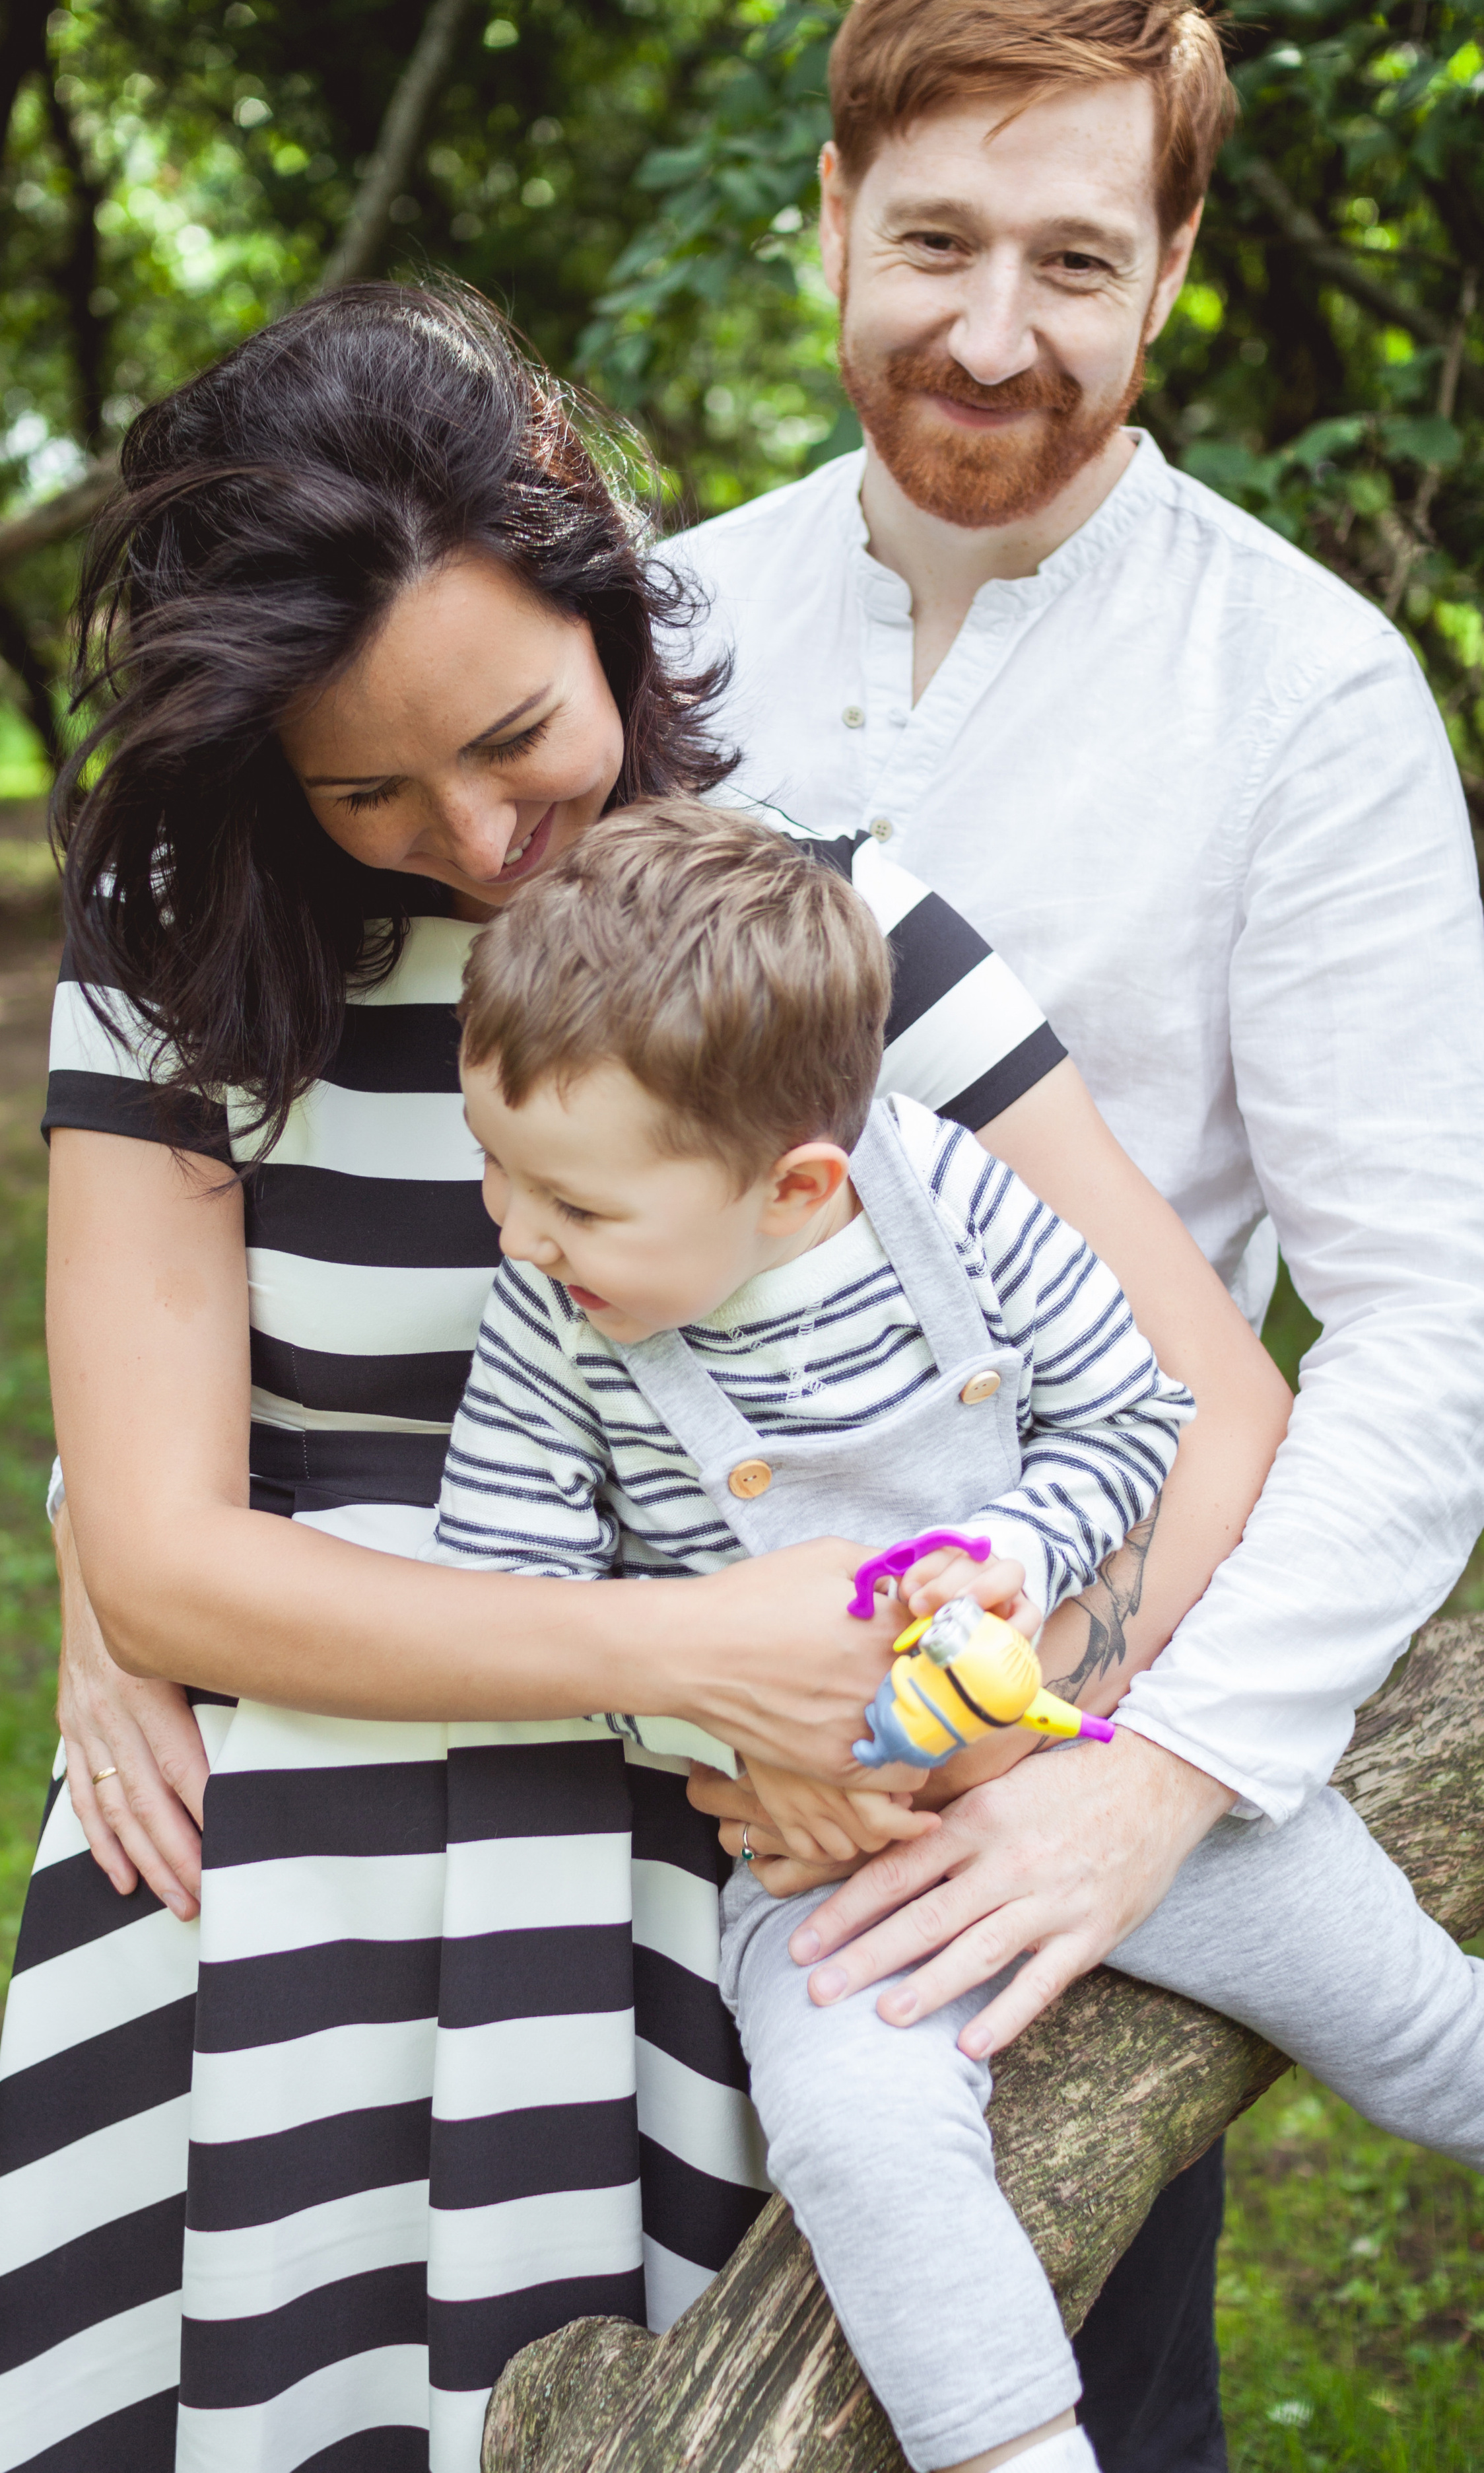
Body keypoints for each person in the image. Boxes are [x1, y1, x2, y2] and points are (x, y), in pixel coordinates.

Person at [0, 285, 1287, 2473]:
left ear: (601, 593)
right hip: (279, 1880)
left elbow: (1210, 1404)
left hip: (704, 1883)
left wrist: (939, 1721)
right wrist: (687, 1655)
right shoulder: (182, 942)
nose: (477, 842)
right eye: (366, 786)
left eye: (513, 741)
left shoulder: (818, 924)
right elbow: (170, 1558)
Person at [659, 0, 1484, 2462]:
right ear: (826, 218)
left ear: (1175, 274)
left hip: (1085, 1761)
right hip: (656, 1792)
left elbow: (1436, 1334)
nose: (995, 334)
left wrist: (1160, 1785)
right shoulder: (654, 632)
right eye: (935, 242)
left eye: (1076, 264)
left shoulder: (1307, 697)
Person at [433, 800, 1484, 2473]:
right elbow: (509, 1600)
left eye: (568, 1199)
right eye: (495, 1165)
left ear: (796, 1186)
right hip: (827, 1867)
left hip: (1088, 1760)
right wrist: (721, 1730)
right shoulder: (553, 1327)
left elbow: (1134, 1413)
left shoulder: (944, 1198)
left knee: (1408, 2015)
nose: (515, 1230)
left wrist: (1014, 1551)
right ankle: (1007, 2448)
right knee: (856, 2140)